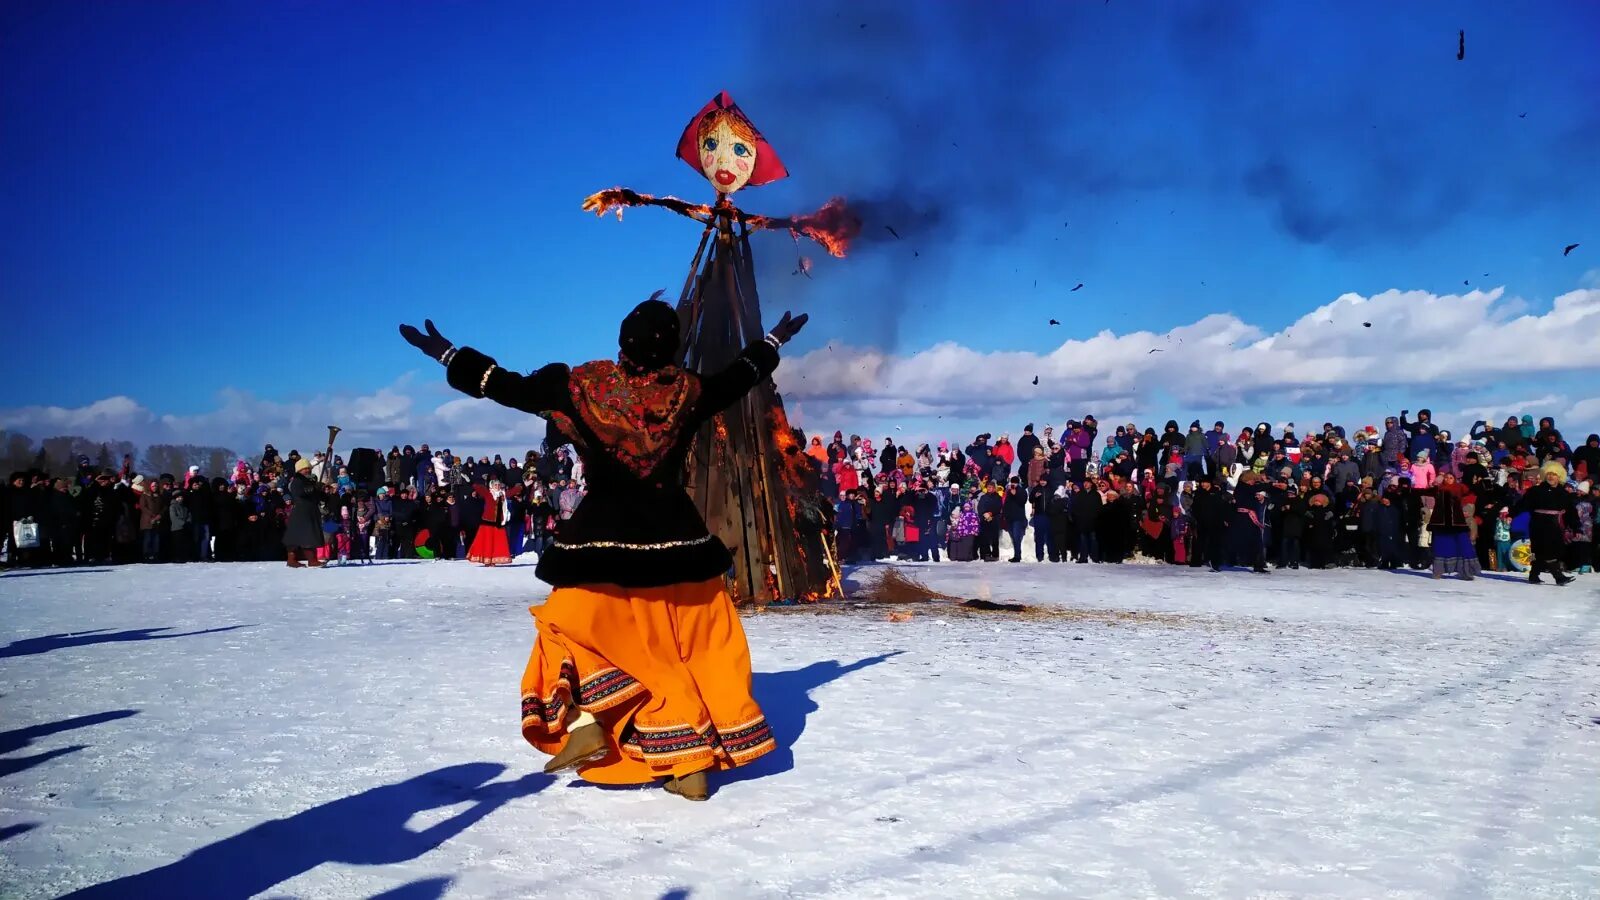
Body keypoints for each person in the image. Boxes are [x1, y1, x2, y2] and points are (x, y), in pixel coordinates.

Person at [400, 294, 808, 801]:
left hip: (603, 536)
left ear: (622, 341)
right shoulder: (688, 391)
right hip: (677, 535)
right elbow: (737, 378)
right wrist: (772, 343)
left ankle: (585, 718)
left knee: (570, 628)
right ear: (672, 346)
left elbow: (506, 386)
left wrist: (446, 353)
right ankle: (689, 765)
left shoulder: (579, 386)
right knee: (685, 648)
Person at [1514, 461, 1576, 585]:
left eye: (1554, 474)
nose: (1551, 477)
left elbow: (1571, 512)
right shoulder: (1535, 491)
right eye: (1549, 474)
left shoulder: (1564, 494)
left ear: (1559, 477)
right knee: (1546, 549)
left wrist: (1576, 527)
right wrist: (1510, 513)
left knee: (1540, 552)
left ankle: (1533, 575)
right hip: (1538, 523)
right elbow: (1521, 505)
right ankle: (1558, 577)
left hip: (1555, 524)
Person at [283, 457, 326, 568]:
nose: (307, 470)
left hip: (309, 511)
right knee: (306, 536)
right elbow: (300, 493)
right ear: (299, 470)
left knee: (302, 536)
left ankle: (298, 560)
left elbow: (315, 496)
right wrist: (314, 488)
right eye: (304, 469)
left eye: (308, 468)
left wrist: (319, 491)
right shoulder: (296, 481)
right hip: (301, 512)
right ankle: (309, 560)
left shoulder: (309, 481)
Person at [466, 480, 520, 566]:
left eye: (499, 485)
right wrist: (470, 482)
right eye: (495, 485)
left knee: (498, 543)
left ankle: (493, 560)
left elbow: (513, 491)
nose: (497, 486)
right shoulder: (488, 494)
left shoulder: (503, 494)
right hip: (487, 522)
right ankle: (487, 560)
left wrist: (524, 485)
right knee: (487, 542)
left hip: (499, 522)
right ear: (491, 486)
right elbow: (479, 488)